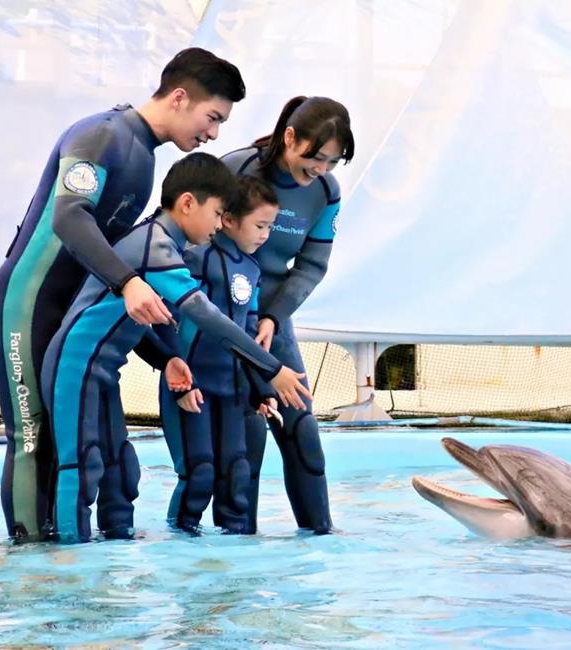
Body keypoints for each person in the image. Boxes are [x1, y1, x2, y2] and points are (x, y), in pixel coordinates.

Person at [0, 47, 246, 542]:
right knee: (33, 438)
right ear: (181, 97)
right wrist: (127, 281)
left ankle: (57, 563)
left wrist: (160, 356)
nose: (213, 134)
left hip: (65, 311)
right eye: (212, 118)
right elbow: (69, 217)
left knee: (76, 447)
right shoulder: (103, 135)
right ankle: (27, 568)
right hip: (26, 303)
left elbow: (107, 282)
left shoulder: (143, 160)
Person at [40, 153, 311, 544]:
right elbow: (208, 317)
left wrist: (167, 359)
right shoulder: (156, 246)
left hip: (101, 372)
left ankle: (107, 569)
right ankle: (70, 569)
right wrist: (272, 369)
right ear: (187, 203)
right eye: (217, 213)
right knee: (80, 466)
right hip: (74, 367)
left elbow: (126, 322)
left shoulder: (163, 243)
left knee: (121, 472)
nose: (220, 225)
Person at [221, 96, 354, 534]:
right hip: (223, 317)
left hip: (273, 319)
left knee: (303, 432)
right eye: (315, 157)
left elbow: (311, 266)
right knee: (248, 434)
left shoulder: (325, 192)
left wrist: (273, 318)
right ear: (290, 137)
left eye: (332, 162)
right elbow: (196, 245)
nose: (320, 168)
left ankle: (321, 541)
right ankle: (240, 549)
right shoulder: (237, 171)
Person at [160, 175, 281, 534]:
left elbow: (247, 335)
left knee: (236, 474)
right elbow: (169, 320)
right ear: (228, 220)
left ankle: (234, 566)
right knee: (200, 474)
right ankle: (181, 550)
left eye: (270, 227)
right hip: (192, 387)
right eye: (260, 225)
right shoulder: (196, 258)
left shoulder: (253, 269)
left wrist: (261, 388)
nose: (265, 235)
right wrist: (181, 385)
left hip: (233, 390)